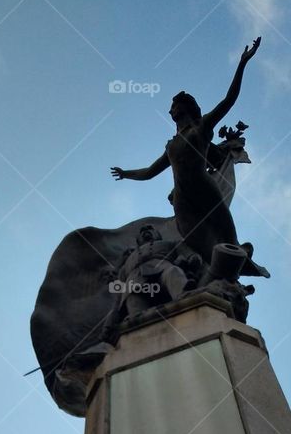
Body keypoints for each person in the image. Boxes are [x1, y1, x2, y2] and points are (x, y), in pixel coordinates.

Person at [111, 39, 269, 276]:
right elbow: (150, 172)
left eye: (174, 105)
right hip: (182, 199)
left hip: (205, 189)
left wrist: (242, 64)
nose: (170, 110)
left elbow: (228, 100)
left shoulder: (201, 129)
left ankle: (239, 260)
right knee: (198, 243)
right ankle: (209, 274)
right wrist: (126, 174)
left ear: (186, 107)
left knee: (227, 234)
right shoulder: (172, 145)